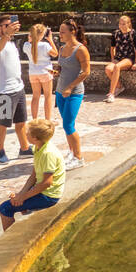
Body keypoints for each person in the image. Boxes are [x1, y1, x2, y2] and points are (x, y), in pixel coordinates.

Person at [0, 120, 65, 231]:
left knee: (5, 209)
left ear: (35, 138)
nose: (25, 133)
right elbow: (34, 175)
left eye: (27, 132)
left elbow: (47, 183)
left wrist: (24, 197)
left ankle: (13, 243)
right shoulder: (37, 148)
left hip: (49, 196)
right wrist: (21, 194)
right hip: (42, 190)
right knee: (15, 200)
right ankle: (27, 208)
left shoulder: (47, 154)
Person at [0, 13, 32, 164]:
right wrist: (6, 36)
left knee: (21, 122)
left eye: (12, 25)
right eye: (7, 25)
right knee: (4, 122)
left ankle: (24, 149)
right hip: (3, 91)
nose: (11, 28)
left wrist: (8, 36)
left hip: (18, 88)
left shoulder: (11, 43)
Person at [53, 17, 90, 168]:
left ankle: (79, 158)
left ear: (72, 32)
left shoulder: (81, 49)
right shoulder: (62, 49)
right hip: (60, 91)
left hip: (74, 93)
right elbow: (61, 67)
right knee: (67, 124)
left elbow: (86, 72)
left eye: (62, 32)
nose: (59, 34)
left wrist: (70, 87)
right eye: (59, 32)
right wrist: (56, 72)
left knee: (68, 125)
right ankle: (71, 152)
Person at [23, 22, 59, 123]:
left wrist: (30, 39)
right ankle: (48, 120)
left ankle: (34, 120)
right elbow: (55, 54)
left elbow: (30, 43)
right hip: (45, 72)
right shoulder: (45, 45)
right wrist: (50, 40)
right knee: (48, 96)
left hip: (33, 73)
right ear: (42, 34)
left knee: (35, 96)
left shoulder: (26, 45)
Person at [104, 14, 136, 102]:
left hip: (128, 58)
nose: (121, 25)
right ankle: (119, 87)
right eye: (120, 23)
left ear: (128, 24)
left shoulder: (133, 33)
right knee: (108, 69)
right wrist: (113, 59)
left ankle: (111, 93)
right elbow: (112, 48)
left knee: (117, 67)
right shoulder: (115, 33)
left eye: (123, 24)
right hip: (118, 57)